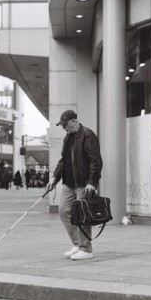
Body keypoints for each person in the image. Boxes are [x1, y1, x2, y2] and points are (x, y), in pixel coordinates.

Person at [46, 110, 103, 260]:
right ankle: (77, 244)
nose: (64, 127)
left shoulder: (88, 135)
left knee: (82, 214)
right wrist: (54, 178)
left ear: (74, 121)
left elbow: (95, 161)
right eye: (62, 125)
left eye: (65, 124)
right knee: (64, 211)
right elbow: (62, 161)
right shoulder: (68, 138)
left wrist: (92, 182)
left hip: (83, 183)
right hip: (69, 183)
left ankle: (86, 249)